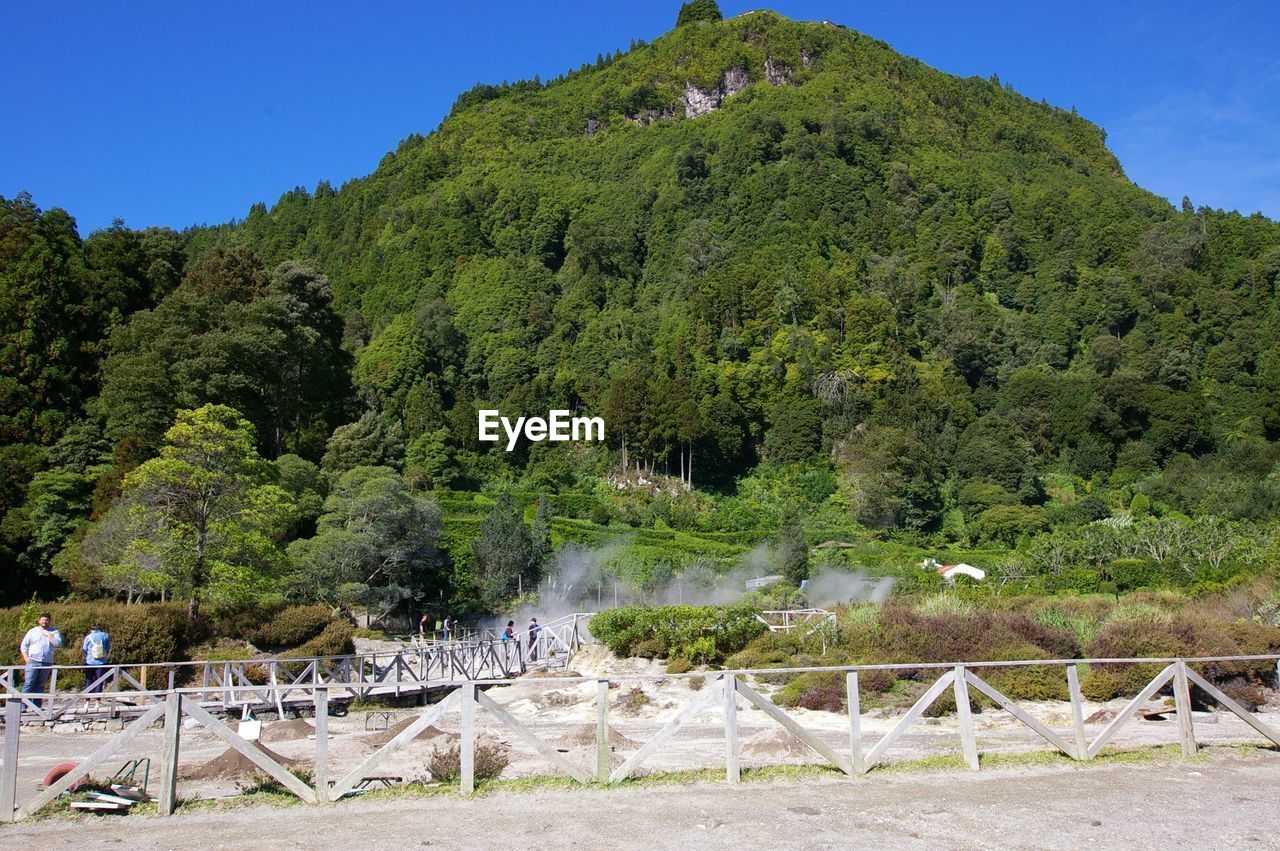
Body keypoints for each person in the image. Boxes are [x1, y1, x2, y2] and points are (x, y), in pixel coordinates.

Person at [20, 613, 62, 708]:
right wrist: (26, 658)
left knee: (41, 685)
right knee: (29, 683)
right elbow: (24, 645)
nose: (44, 622)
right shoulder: (32, 631)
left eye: (46, 620)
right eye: (43, 620)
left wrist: (49, 635)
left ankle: (37, 707)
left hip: (47, 662)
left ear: (49, 621)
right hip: (33, 661)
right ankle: (23, 706)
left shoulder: (54, 631)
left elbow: (58, 643)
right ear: (39, 621)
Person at [81, 623, 111, 704]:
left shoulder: (88, 637)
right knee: (99, 681)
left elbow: (84, 649)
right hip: (101, 662)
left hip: (90, 661)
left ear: (91, 630)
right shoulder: (106, 635)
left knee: (89, 680)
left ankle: (87, 701)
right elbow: (108, 648)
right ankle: (97, 701)